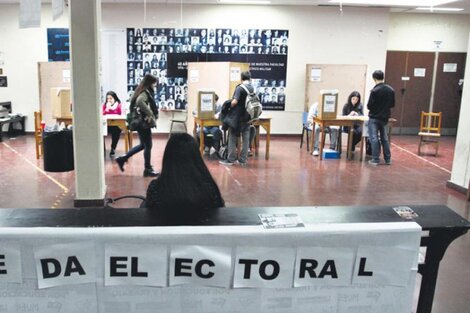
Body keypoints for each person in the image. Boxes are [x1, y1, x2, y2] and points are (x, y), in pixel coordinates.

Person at [146, 133, 225, 220]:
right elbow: (219, 213)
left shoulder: (156, 188)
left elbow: (149, 216)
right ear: (196, 157)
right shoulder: (209, 188)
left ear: (168, 157)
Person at [115, 74, 159, 177]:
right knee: (148, 145)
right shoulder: (144, 93)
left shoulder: (141, 90)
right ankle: (147, 169)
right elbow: (140, 102)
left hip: (140, 122)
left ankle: (123, 158)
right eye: (154, 84)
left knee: (143, 145)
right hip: (142, 123)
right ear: (150, 83)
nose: (155, 86)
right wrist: (150, 113)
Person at [219, 71, 253, 166]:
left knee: (232, 136)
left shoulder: (240, 88)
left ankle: (231, 159)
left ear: (241, 78)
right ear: (249, 78)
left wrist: (229, 106)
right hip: (248, 116)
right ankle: (243, 160)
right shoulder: (252, 88)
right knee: (246, 138)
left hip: (238, 117)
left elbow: (234, 102)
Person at [367, 70, 395, 166]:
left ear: (374, 79)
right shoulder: (391, 90)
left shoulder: (374, 91)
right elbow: (392, 104)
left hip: (374, 118)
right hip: (385, 118)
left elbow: (369, 106)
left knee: (374, 138)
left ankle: (375, 159)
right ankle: (388, 159)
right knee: (385, 138)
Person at [102, 91, 123, 157]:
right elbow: (103, 113)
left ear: (114, 98)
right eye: (107, 98)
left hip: (115, 125)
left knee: (117, 131)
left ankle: (113, 148)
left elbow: (119, 113)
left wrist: (111, 109)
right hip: (106, 125)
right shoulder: (105, 105)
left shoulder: (118, 104)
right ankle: (102, 149)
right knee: (101, 131)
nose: (109, 100)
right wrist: (107, 109)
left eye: (111, 98)